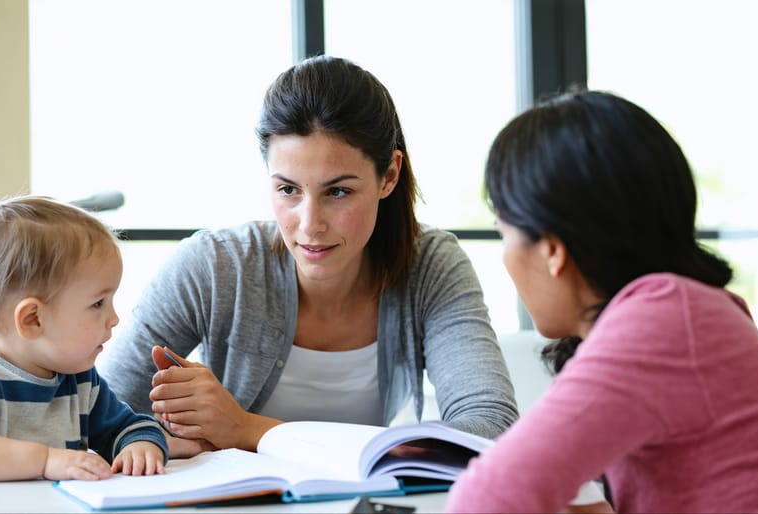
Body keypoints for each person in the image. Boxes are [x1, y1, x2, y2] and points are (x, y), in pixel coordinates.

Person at [99, 55, 519, 457]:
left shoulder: (431, 265)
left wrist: (248, 429)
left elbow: (491, 427)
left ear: (388, 176)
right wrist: (156, 438)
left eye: (338, 191)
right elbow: (88, 415)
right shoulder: (214, 266)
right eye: (288, 190)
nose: (310, 224)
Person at [446, 89, 758, 512]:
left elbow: (487, 498)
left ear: (552, 251)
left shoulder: (661, 321)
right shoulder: (686, 310)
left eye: (503, 233)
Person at [0, 195, 168, 482]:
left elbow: (129, 426)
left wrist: (140, 446)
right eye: (98, 304)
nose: (114, 318)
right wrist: (45, 460)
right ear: (33, 319)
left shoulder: (80, 380)